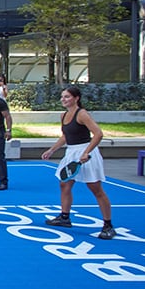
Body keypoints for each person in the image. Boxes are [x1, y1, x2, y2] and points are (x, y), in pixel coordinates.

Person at [42, 86, 116, 239]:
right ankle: (64, 217)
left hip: (86, 152)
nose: (64, 99)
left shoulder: (82, 114)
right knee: (64, 184)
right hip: (71, 152)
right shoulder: (63, 115)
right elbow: (65, 136)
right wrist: (52, 150)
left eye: (67, 97)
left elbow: (98, 134)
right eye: (62, 97)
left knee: (95, 188)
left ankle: (108, 225)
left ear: (76, 98)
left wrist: (87, 152)